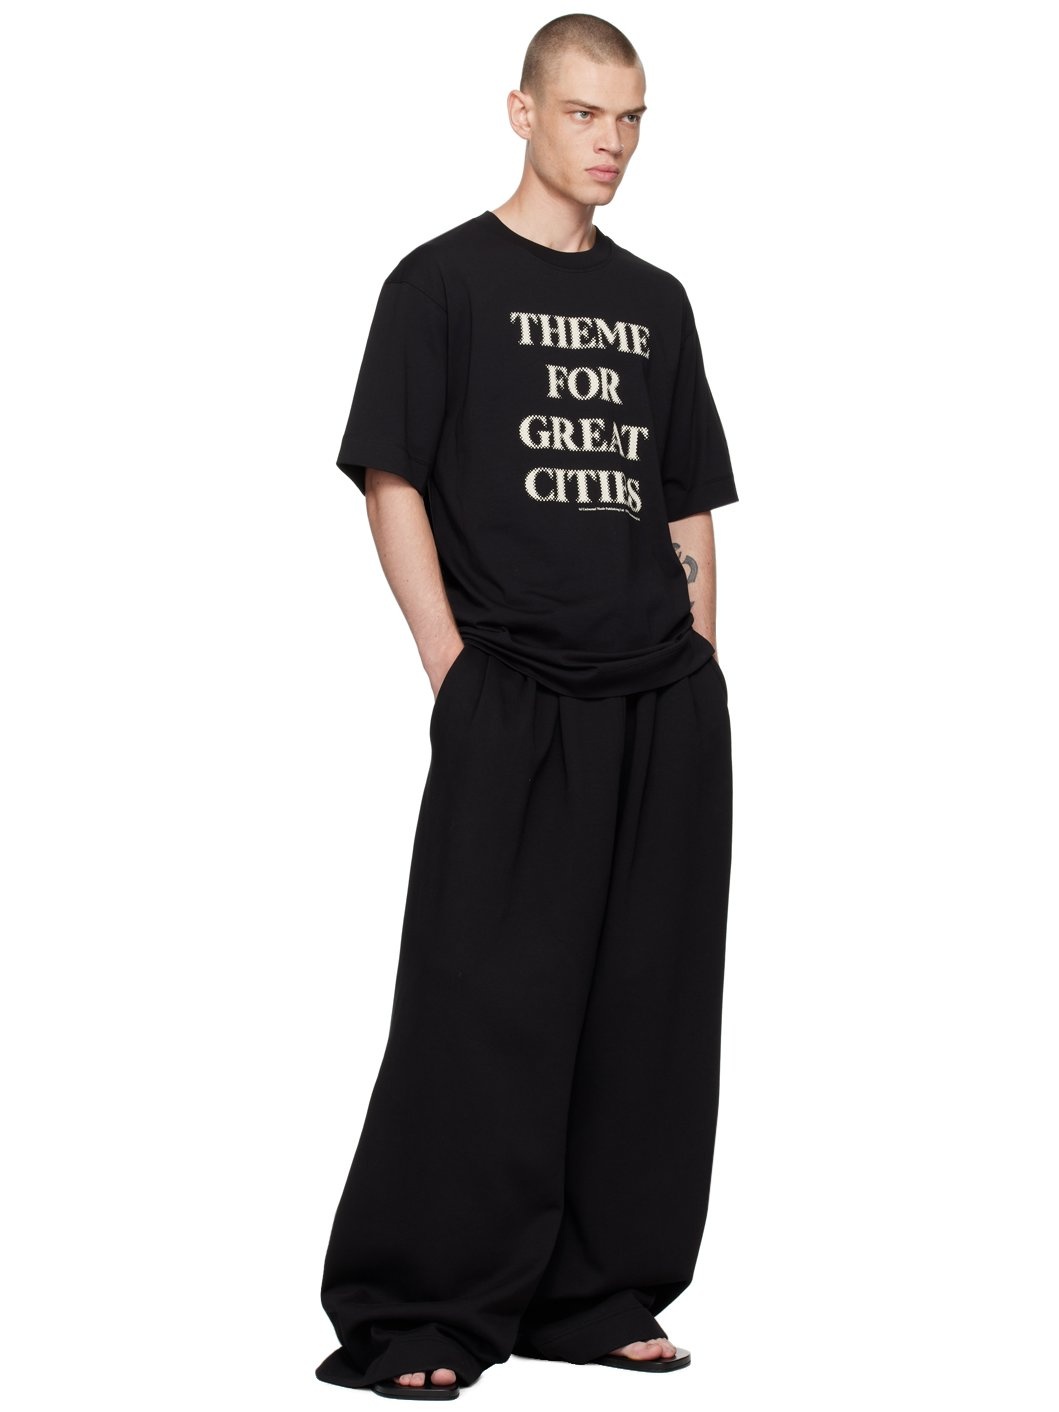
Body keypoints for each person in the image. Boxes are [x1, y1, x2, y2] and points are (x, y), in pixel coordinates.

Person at [316, 13, 738, 1400]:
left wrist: (701, 661)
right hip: (513, 688)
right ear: (522, 113)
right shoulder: (439, 283)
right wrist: (449, 666)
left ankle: (593, 1291)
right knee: (480, 999)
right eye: (583, 114)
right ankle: (421, 1307)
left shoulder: (658, 301)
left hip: (659, 696)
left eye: (631, 118)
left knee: (646, 1005)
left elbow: (683, 496)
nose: (611, 143)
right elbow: (393, 480)